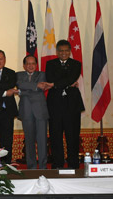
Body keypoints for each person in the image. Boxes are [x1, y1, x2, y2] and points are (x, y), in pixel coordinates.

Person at [46, 40, 84, 169]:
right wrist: (67, 82)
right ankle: (58, 164)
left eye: (66, 50)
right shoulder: (50, 64)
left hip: (72, 106)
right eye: (61, 51)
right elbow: (50, 78)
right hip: (55, 106)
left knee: (72, 136)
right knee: (55, 136)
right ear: (57, 52)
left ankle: (73, 164)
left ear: (70, 51)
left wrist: (56, 84)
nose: (63, 53)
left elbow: (72, 78)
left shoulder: (76, 64)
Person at [16, 55, 50, 169]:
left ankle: (43, 166)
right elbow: (20, 85)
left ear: (36, 65)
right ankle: (31, 167)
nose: (31, 66)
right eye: (28, 64)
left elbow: (40, 87)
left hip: (40, 112)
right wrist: (35, 86)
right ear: (24, 65)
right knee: (29, 141)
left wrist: (21, 92)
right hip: (26, 111)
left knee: (42, 141)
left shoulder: (42, 74)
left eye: (33, 63)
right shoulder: (18, 75)